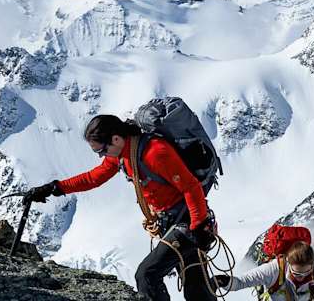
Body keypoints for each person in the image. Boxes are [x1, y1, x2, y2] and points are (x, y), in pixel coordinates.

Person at [25, 115, 218, 301]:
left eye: (101, 151)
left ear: (116, 139)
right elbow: (94, 177)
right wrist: (55, 188)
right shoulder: (123, 154)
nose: (101, 155)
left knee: (147, 275)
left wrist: (199, 226)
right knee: (197, 287)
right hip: (175, 222)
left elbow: (190, 187)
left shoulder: (155, 152)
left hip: (188, 222)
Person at [214, 241, 314, 301]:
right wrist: (223, 281)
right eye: (296, 274)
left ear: (313, 264)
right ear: (288, 263)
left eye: (306, 273)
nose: (302, 277)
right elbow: (242, 282)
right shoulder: (274, 269)